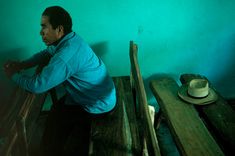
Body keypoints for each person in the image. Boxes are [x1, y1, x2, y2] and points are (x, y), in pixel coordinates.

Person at [3, 6, 116, 156]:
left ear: (59, 29)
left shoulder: (65, 56)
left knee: (57, 125)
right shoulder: (69, 39)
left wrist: (13, 75)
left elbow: (37, 86)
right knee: (56, 115)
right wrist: (22, 64)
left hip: (97, 104)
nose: (40, 32)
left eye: (44, 27)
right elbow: (45, 54)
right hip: (96, 95)